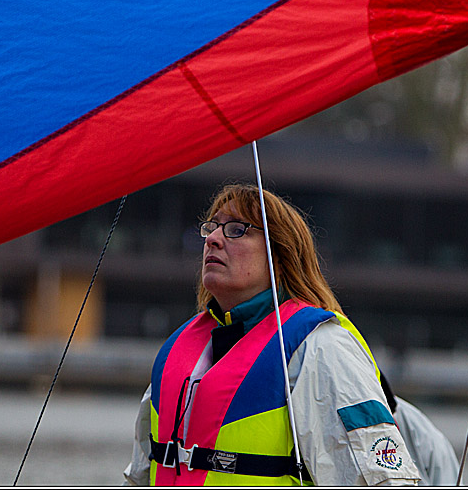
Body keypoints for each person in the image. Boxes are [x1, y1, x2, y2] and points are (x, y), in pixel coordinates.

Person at [123, 183, 421, 486]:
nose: (212, 239)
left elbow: (382, 481)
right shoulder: (177, 350)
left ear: (279, 255)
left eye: (236, 229)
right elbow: (138, 476)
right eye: (211, 228)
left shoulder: (319, 346)